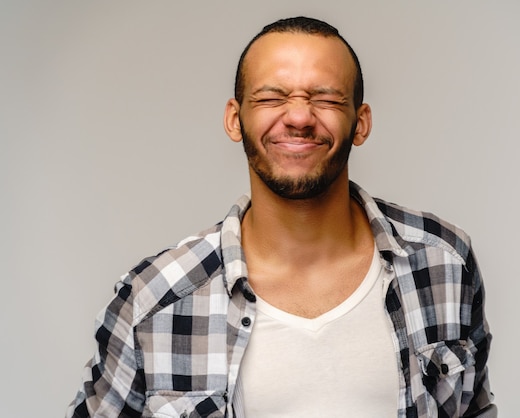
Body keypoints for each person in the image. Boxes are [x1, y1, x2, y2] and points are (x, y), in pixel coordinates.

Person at [67, 16, 496, 418]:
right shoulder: (152, 301)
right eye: (272, 98)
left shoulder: (443, 264)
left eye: (325, 98)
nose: (298, 117)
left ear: (360, 123)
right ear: (236, 120)